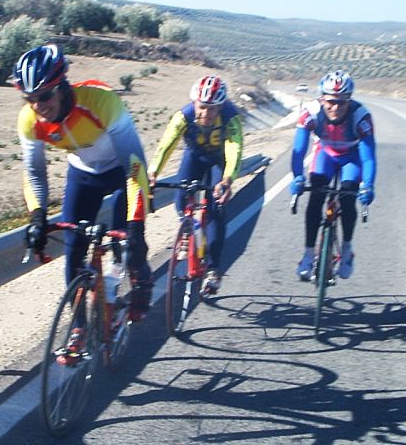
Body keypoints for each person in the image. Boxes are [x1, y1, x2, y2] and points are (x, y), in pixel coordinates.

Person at [15, 43, 153, 332]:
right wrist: (37, 216)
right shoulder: (29, 120)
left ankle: (140, 279)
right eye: (30, 99)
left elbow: (135, 166)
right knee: (74, 252)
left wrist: (136, 226)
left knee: (128, 243)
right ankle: (79, 330)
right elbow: (35, 173)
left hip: (122, 174)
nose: (38, 106)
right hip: (83, 175)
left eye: (44, 96)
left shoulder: (101, 102)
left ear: (62, 87)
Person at [148, 75, 243, 295]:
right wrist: (153, 172)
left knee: (216, 209)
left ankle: (213, 269)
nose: (206, 114)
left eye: (212, 109)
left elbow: (234, 149)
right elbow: (166, 145)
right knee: (181, 198)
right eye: (202, 107)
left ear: (221, 107)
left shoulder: (231, 118)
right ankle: (186, 229)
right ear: (194, 103)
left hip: (220, 159)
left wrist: (227, 180)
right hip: (195, 156)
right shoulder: (184, 115)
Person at [290, 70, 376, 280]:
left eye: (342, 102)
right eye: (331, 102)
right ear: (322, 99)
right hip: (325, 153)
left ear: (349, 100)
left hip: (351, 156)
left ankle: (346, 250)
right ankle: (309, 254)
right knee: (316, 197)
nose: (336, 108)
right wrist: (298, 176)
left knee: (348, 196)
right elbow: (299, 151)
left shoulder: (361, 116)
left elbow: (368, 158)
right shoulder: (310, 113)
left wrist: (368, 184)